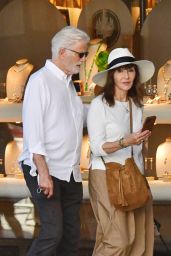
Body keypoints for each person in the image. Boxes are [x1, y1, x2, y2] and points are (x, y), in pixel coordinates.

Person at [19, 26, 90, 256]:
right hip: (45, 170)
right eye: (81, 54)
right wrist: (44, 173)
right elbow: (33, 132)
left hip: (70, 172)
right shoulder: (40, 81)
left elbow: (76, 119)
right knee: (52, 233)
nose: (84, 59)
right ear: (62, 52)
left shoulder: (68, 83)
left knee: (70, 237)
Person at [87, 48, 155, 256]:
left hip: (132, 174)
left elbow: (136, 148)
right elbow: (96, 147)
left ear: (136, 74)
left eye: (130, 70)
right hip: (106, 173)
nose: (126, 76)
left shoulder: (136, 103)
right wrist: (125, 142)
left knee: (139, 241)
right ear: (111, 76)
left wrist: (141, 140)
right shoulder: (100, 105)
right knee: (118, 240)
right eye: (120, 71)